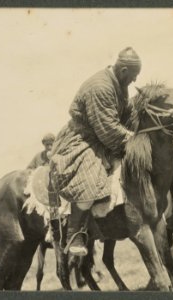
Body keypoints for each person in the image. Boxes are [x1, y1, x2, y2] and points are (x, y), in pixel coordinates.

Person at [48, 47, 141, 256]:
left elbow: (127, 113)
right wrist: (134, 141)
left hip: (101, 136)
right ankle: (74, 233)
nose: (134, 81)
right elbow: (107, 129)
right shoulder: (100, 87)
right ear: (124, 70)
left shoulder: (119, 83)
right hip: (81, 140)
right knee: (89, 179)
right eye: (134, 76)